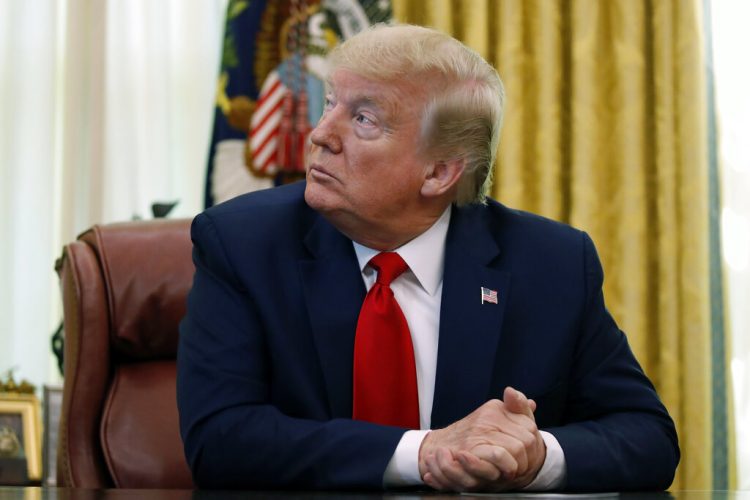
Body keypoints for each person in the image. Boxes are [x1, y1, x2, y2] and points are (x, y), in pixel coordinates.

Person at [177, 23, 679, 492]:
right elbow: (221, 438)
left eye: (363, 119)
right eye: (330, 103)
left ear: (439, 173)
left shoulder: (551, 264)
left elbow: (648, 436)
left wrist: (535, 455)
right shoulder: (242, 243)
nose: (321, 134)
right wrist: (425, 452)